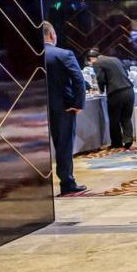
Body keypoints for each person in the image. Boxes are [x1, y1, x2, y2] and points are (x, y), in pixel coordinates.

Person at [43, 21, 87, 195]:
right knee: (64, 145)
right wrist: (78, 103)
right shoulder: (63, 54)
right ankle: (67, 183)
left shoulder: (30, 56)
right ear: (52, 35)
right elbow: (78, 79)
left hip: (35, 109)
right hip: (63, 107)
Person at [86, 48, 135, 149]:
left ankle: (117, 143)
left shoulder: (97, 63)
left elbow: (100, 78)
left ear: (91, 58)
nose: (91, 64)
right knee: (126, 117)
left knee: (114, 119)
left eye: (90, 62)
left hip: (116, 93)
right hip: (129, 90)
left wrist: (101, 90)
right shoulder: (115, 59)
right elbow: (126, 73)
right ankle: (128, 140)